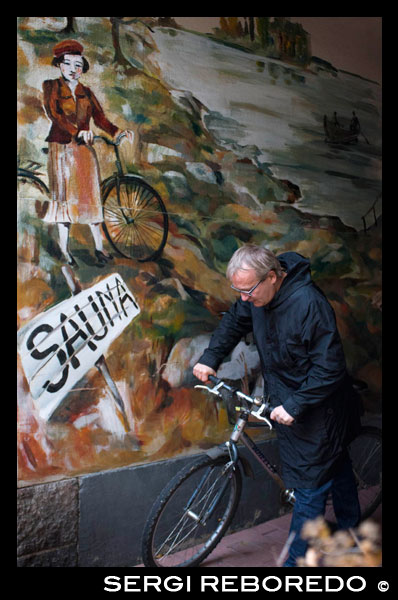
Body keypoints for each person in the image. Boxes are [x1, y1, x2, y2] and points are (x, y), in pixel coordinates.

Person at [193, 244, 362, 567]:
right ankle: (351, 533)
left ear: (273, 276)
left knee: (310, 487)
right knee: (336, 464)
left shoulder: (309, 305)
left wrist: (295, 404)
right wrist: (210, 358)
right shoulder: (255, 297)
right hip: (287, 401)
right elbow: (234, 322)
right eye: (237, 290)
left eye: (248, 290)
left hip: (318, 407)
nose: (243, 297)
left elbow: (329, 367)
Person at [42, 39, 134, 266]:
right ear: (60, 65)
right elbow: (55, 115)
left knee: (91, 199)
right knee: (65, 200)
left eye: (78, 65)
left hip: (84, 150)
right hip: (62, 147)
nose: (74, 70)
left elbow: (100, 118)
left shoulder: (86, 92)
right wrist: (77, 132)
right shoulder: (51, 86)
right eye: (69, 64)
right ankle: (65, 250)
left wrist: (117, 131)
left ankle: (99, 249)